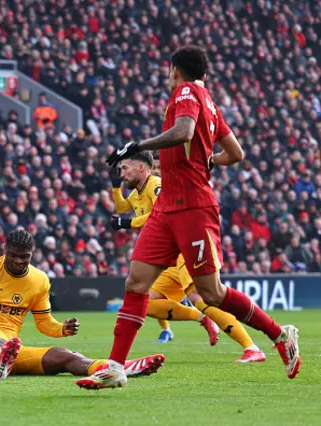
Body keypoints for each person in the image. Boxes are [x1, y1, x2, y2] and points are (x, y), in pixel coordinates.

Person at [77, 46, 300, 390]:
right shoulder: (209, 100)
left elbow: (183, 131)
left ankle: (279, 334)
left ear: (175, 71)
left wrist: (137, 146)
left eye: (169, 73)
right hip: (168, 206)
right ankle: (115, 367)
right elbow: (236, 153)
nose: (169, 78)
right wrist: (210, 160)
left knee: (212, 294)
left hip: (193, 207)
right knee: (136, 282)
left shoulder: (185, 91)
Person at [0, 228, 165, 380]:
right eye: (13, 255)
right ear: (5, 250)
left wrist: (61, 328)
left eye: (25, 257)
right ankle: (0, 367)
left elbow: (43, 322)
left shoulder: (39, 279)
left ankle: (118, 368)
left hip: (13, 348)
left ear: (32, 254)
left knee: (66, 356)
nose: (19, 261)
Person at [111, 151, 265, 362]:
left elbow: (160, 213)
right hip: (169, 258)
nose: (122, 173)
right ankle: (202, 319)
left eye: (125, 168)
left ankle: (251, 347)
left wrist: (128, 223)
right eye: (120, 170)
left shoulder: (156, 185)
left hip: (184, 249)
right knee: (147, 303)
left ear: (141, 168)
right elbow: (121, 207)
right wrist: (114, 188)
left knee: (200, 299)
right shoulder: (136, 193)